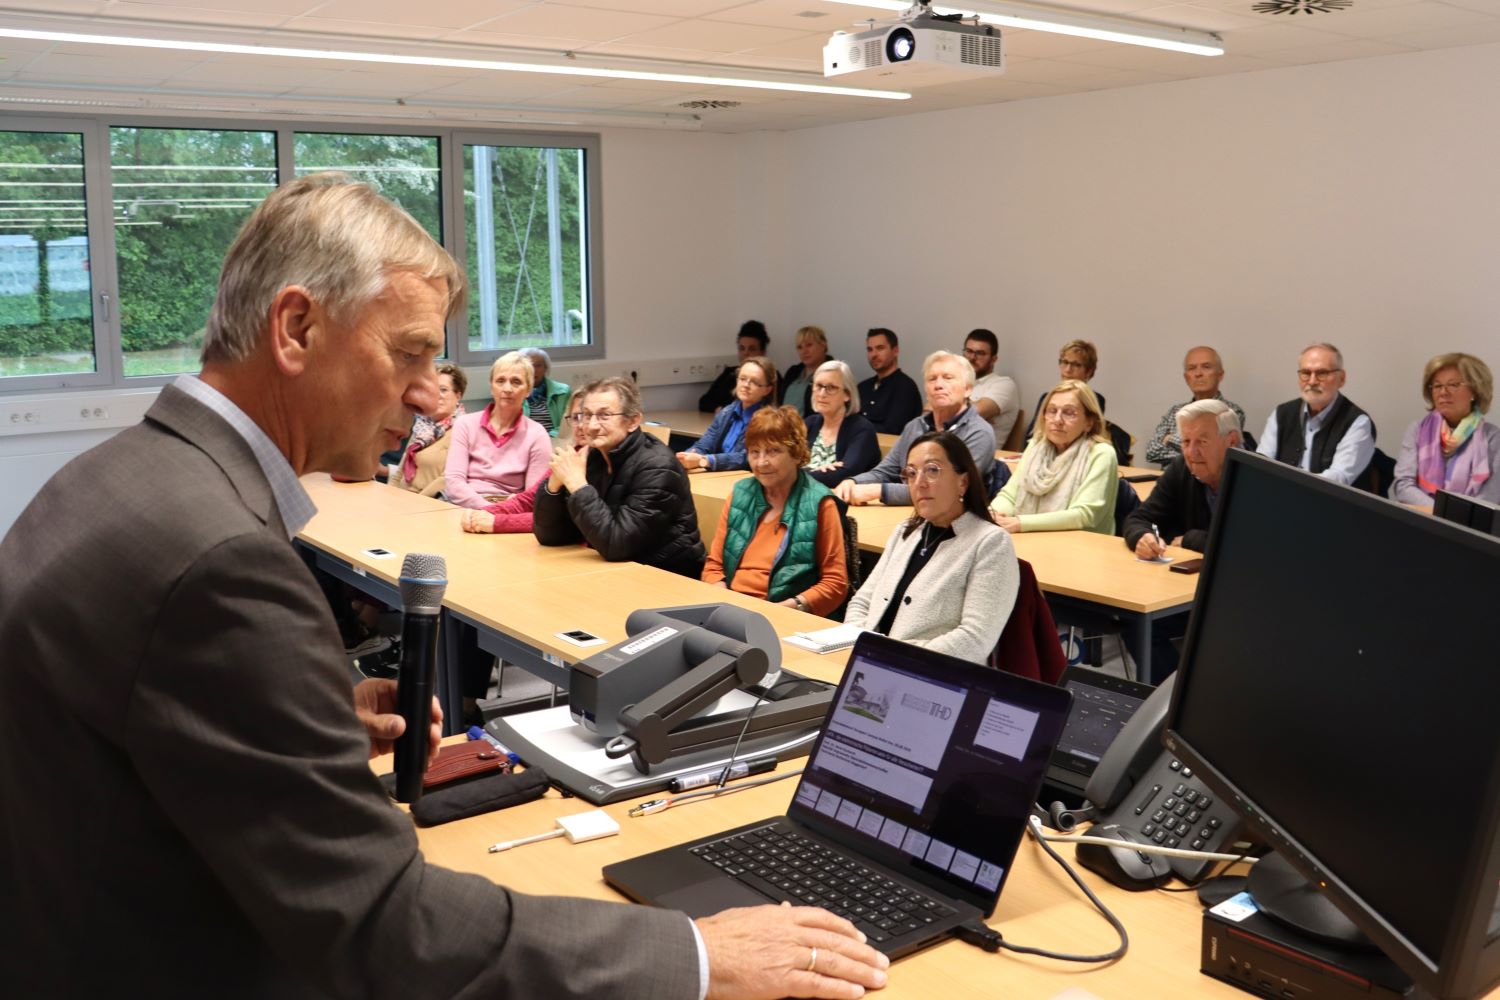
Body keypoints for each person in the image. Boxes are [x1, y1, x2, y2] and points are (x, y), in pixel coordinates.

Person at [0, 174, 889, 998]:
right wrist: (697, 954)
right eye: (409, 355)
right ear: (296, 329)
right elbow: (389, 928)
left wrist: (298, 719)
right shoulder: (223, 562)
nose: (433, 399)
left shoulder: (117, 477)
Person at [843, 431, 1018, 665]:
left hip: (933, 675)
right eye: (911, 473)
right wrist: (858, 645)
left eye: (932, 470)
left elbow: (975, 639)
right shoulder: (905, 532)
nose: (920, 483)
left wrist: (894, 657)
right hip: (870, 662)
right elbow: (862, 602)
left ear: (963, 482)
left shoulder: (990, 543)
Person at [536, 376, 709, 578]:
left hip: (667, 576)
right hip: (616, 571)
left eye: (604, 415)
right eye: (587, 415)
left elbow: (617, 545)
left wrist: (578, 485)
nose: (591, 426)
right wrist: (554, 487)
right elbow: (551, 536)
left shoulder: (659, 467)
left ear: (633, 421)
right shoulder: (592, 457)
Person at [703, 407, 849, 616]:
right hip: (731, 607)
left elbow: (835, 583)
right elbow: (714, 567)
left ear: (796, 454)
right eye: (755, 452)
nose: (762, 462)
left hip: (784, 612)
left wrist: (783, 610)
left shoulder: (820, 503)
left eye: (773, 451)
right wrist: (724, 602)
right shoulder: (740, 493)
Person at [834, 351, 995, 506]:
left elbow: (947, 490)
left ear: (968, 389)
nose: (938, 385)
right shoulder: (915, 427)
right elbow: (885, 471)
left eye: (948, 378)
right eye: (932, 379)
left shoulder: (979, 432)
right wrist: (853, 482)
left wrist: (880, 491)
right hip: (909, 513)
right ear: (926, 389)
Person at [992, 379, 1118, 534]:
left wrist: (1021, 523)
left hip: (1079, 543)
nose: (1057, 420)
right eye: (1052, 411)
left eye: (1069, 413)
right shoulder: (1036, 446)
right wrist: (993, 514)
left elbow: (1084, 515)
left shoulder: (1101, 453)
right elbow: (1010, 496)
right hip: (1031, 535)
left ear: (1089, 422)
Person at [1125, 398, 1242, 557]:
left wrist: (1191, 539)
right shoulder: (1181, 468)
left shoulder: (1258, 477)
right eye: (1186, 441)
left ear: (1231, 441)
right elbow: (1139, 518)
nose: (1191, 452)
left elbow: (1251, 546)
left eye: (1202, 441)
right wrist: (1142, 536)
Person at [462, 394, 585, 534]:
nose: (582, 425)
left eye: (587, 416)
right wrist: (481, 513)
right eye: (576, 418)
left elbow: (564, 521)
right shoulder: (569, 456)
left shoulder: (598, 460)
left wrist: (497, 522)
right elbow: (529, 499)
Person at [443, 350, 552, 508]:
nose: (507, 388)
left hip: (510, 509)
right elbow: (454, 482)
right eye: (500, 381)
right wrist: (488, 510)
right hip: (465, 506)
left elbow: (533, 496)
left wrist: (499, 513)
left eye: (516, 382)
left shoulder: (537, 434)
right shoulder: (465, 424)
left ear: (528, 390)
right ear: (491, 387)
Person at [1257, 342, 1375, 486]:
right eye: (1306, 373)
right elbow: (1262, 463)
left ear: (1341, 378)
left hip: (1329, 499)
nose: (1312, 381)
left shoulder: (1358, 422)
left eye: (1322, 373)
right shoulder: (1282, 413)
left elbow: (1338, 479)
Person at [1391, 352, 1499, 506]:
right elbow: (1403, 485)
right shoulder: (1417, 430)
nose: (1443, 392)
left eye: (1453, 385)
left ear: (1475, 391)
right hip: (1419, 516)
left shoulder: (1493, 437)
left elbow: (1489, 498)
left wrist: (1451, 516)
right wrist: (1439, 512)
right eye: (1437, 386)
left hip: (1468, 520)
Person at [1144, 346, 1248, 466]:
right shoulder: (1175, 411)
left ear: (1220, 375)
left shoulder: (1231, 411)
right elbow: (1151, 452)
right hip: (1169, 477)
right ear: (1186, 377)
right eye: (1192, 368)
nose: (1198, 373)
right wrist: (1198, 447)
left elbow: (1215, 453)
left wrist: (1169, 439)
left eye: (1206, 367)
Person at [678, 355, 778, 471]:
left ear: (767, 389)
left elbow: (746, 458)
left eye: (754, 382)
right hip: (721, 474)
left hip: (747, 477)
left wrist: (704, 460)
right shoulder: (727, 411)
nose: (746, 385)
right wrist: (687, 456)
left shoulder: (770, 420)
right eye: (743, 379)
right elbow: (704, 444)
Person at [387, 359, 465, 494]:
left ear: (458, 395)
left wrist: (413, 502)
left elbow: (446, 479)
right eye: (433, 390)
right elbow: (399, 473)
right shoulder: (422, 427)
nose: (438, 395)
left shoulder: (463, 429)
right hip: (402, 499)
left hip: (429, 502)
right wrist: (388, 496)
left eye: (443, 390)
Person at [804, 359, 880, 488]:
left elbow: (843, 474)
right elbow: (785, 463)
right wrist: (816, 472)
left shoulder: (862, 429)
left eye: (831, 388)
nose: (822, 394)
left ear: (847, 395)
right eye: (818, 386)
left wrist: (799, 475)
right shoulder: (809, 423)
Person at [1020, 339, 1106, 441]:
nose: (1068, 369)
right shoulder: (1047, 397)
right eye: (1065, 362)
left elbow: (1088, 437)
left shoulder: (1094, 399)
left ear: (1089, 371)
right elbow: (1032, 436)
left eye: (1076, 365)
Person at [962, 328, 1020, 448]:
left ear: (994, 359)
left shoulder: (1004, 384)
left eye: (980, 353)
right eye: (969, 351)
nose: (972, 357)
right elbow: (928, 411)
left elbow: (974, 412)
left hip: (979, 453)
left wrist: (947, 408)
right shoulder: (957, 381)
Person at [857, 327, 922, 433]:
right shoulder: (862, 387)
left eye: (880, 348)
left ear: (895, 351)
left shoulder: (905, 387)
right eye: (870, 350)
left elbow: (893, 429)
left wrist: (855, 428)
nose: (874, 354)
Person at [698, 319, 770, 413]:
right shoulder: (729, 374)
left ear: (762, 352)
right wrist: (722, 412)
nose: (745, 353)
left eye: (752, 349)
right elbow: (704, 402)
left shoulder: (771, 377)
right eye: (742, 348)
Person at [778, 324, 832, 417]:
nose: (804, 351)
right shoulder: (792, 372)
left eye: (809, 345)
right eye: (800, 347)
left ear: (823, 345)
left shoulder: (832, 374)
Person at [519, 346, 572, 437]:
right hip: (525, 440)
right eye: (529, 366)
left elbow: (568, 424)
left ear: (545, 368)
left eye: (538, 365)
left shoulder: (563, 392)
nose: (533, 370)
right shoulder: (514, 392)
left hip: (555, 439)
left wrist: (545, 438)